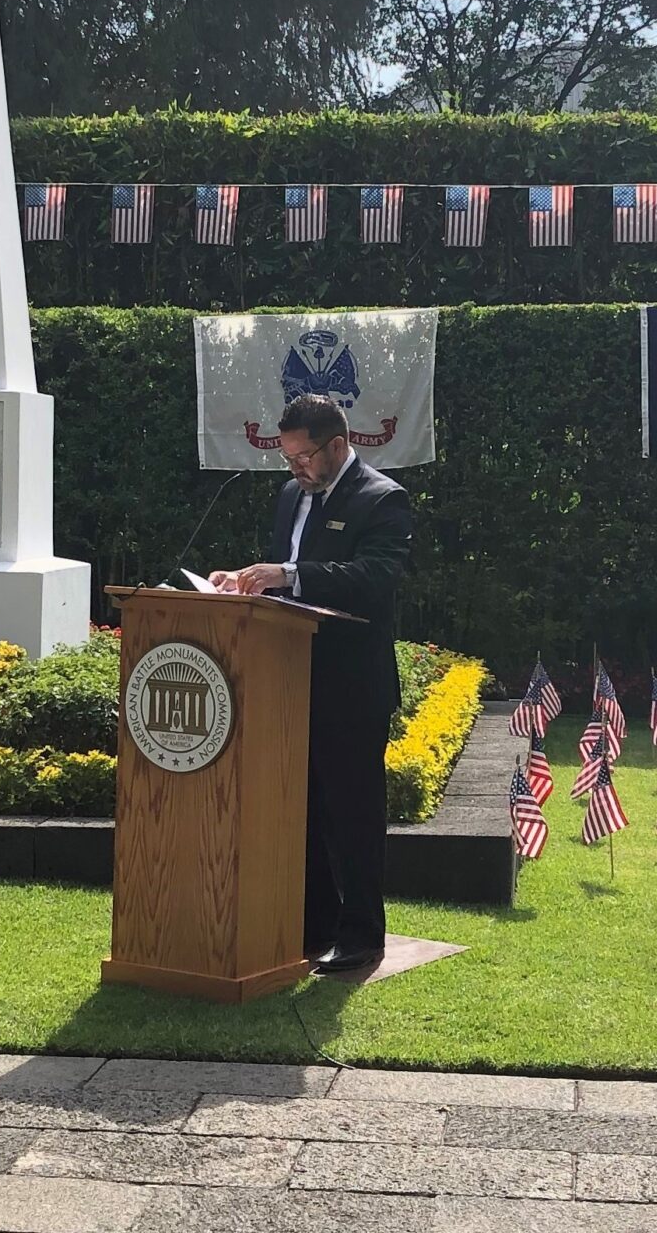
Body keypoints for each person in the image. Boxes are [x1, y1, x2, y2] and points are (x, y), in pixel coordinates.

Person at [211, 393, 412, 973]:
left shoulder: (382, 499)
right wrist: (248, 580)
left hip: (350, 687)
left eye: (303, 457)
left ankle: (361, 936)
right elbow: (288, 574)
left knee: (352, 813)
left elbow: (371, 579)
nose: (295, 468)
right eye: (288, 458)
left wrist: (288, 574)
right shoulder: (288, 498)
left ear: (339, 445)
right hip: (288, 682)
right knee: (300, 811)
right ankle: (313, 926)